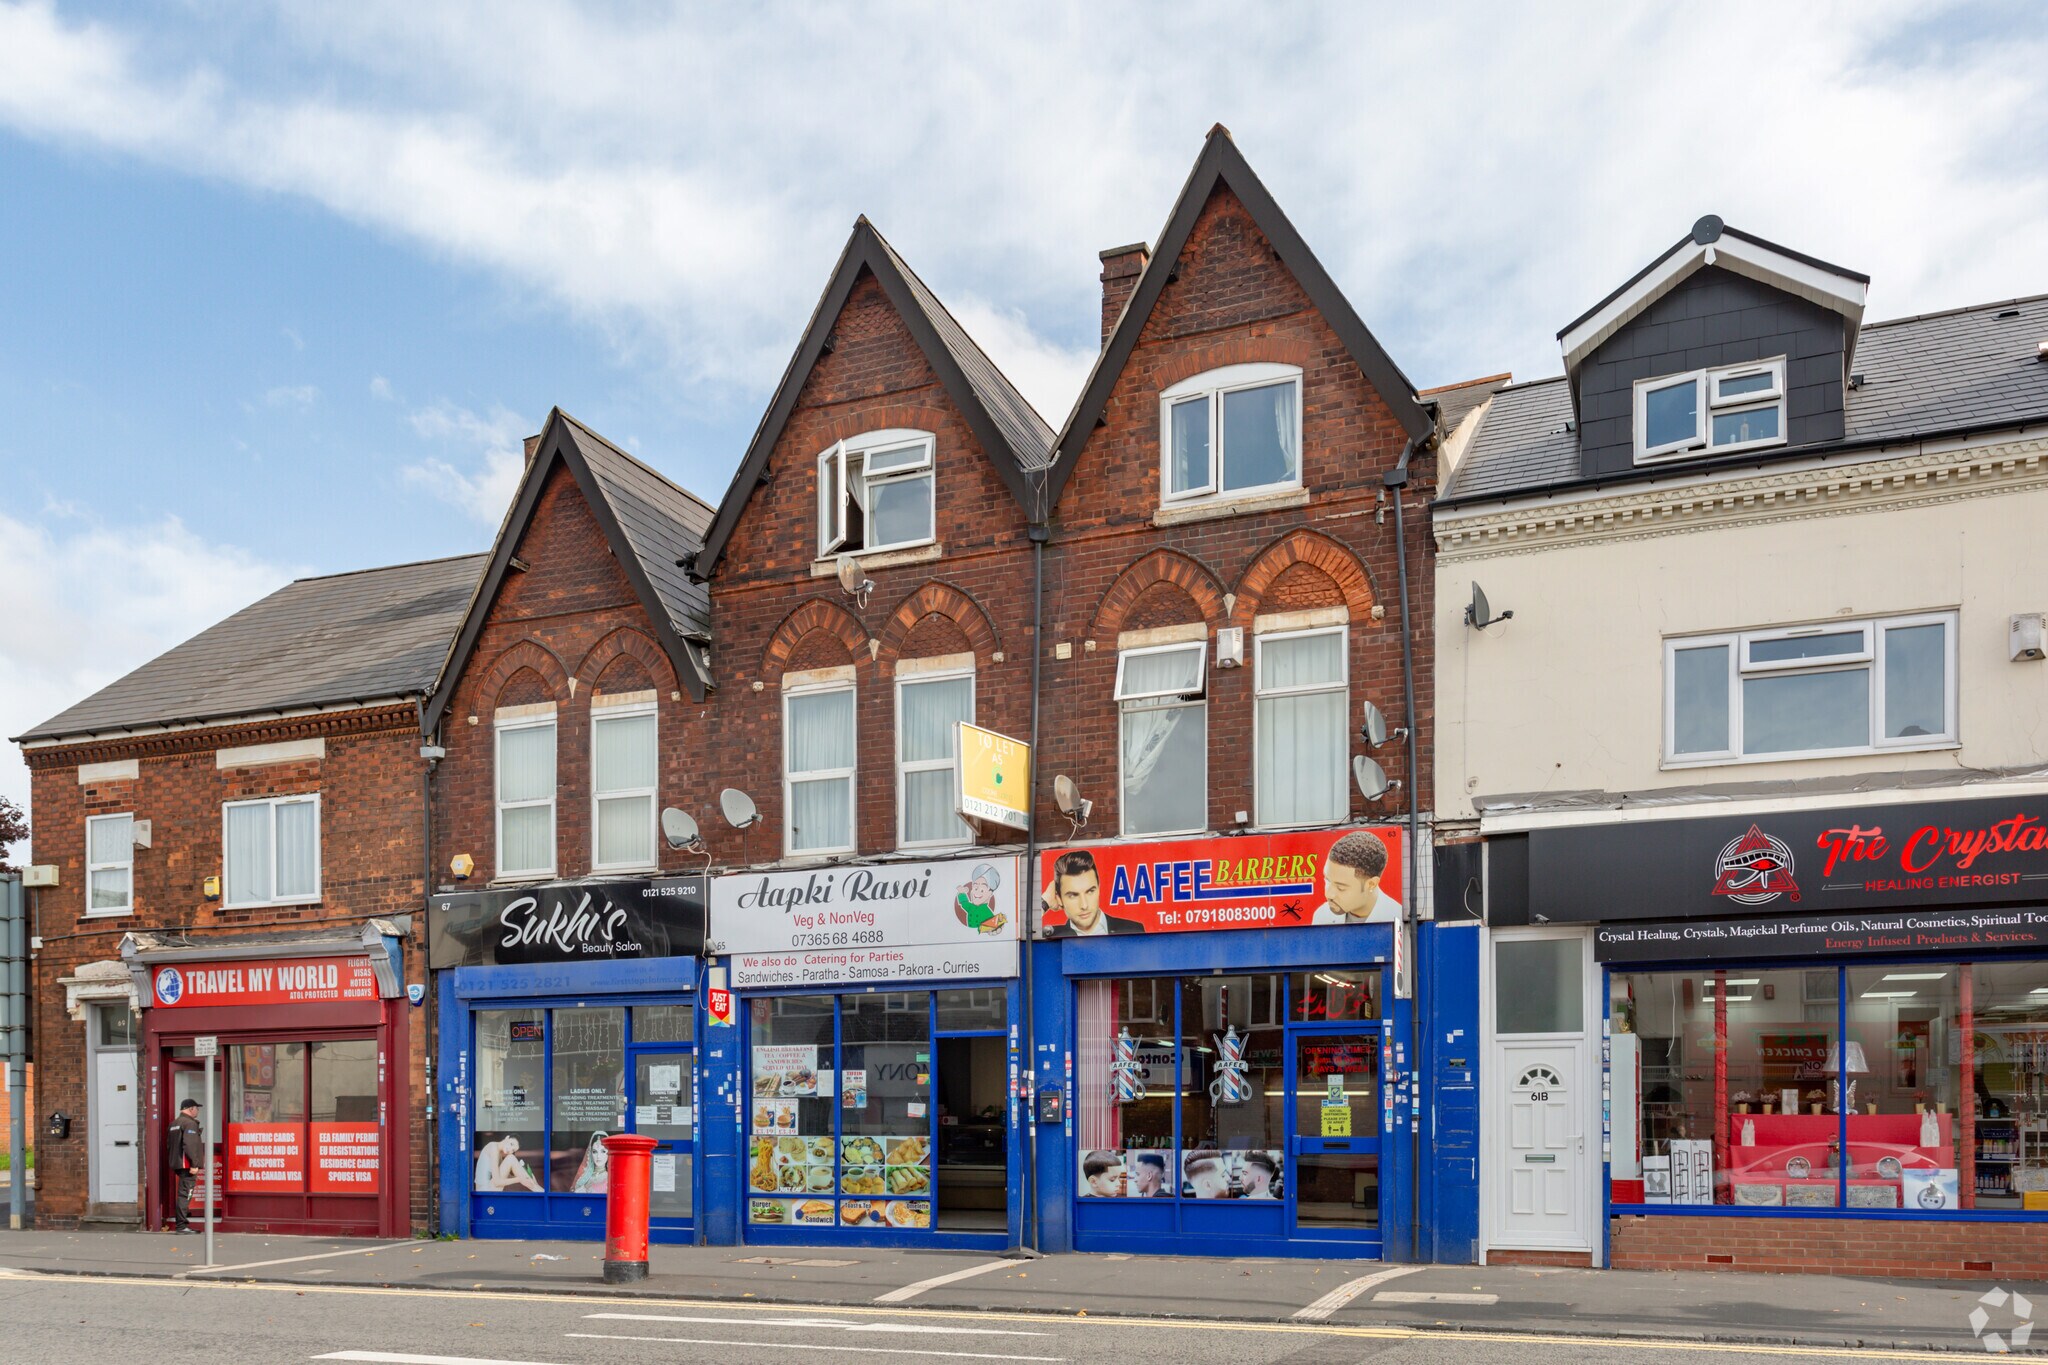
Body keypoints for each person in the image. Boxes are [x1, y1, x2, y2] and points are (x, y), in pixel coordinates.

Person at [1042, 850, 1144, 937]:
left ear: (1099, 888)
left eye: (1090, 891)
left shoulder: (1133, 929)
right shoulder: (1052, 935)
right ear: (1059, 898)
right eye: (1073, 895)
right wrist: (1045, 902)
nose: (1084, 905)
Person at [1311, 831, 1402, 925]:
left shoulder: (1397, 917)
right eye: (1327, 880)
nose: (1329, 894)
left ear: (1371, 884)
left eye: (1340, 888)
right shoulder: (1322, 915)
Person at [167, 1098, 204, 1232]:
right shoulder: (190, 1123)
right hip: (187, 1165)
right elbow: (189, 1145)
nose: (197, 1111)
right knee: (185, 1194)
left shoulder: (174, 1123)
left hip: (177, 1163)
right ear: (190, 1109)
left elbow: (169, 1145)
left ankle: (182, 1223)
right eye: (196, 1108)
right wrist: (194, 1164)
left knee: (183, 1193)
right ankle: (181, 1226)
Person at [474, 1133, 544, 1192]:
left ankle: (539, 1190)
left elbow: (506, 1176)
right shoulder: (493, 1147)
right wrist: (519, 1179)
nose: (510, 1149)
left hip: (487, 1189)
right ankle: (540, 1191)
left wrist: (526, 1175)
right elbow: (497, 1182)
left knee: (526, 1175)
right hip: (483, 1191)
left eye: (513, 1150)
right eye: (511, 1144)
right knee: (511, 1158)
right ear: (507, 1138)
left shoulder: (499, 1153)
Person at [954, 864, 1008, 935]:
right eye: (975, 888)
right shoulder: (971, 907)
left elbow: (990, 926)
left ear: (990, 893)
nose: (977, 892)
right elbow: (964, 903)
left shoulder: (988, 912)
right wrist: (962, 893)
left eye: (982, 890)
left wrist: (995, 927)